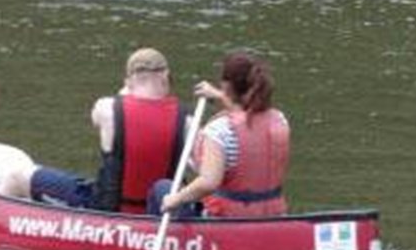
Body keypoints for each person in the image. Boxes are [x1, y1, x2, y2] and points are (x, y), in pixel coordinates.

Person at [28, 47, 188, 211]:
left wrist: (126, 90)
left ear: (128, 80)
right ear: (166, 76)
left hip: (107, 209)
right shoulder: (187, 121)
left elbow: (96, 122)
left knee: (18, 177)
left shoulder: (107, 107)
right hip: (158, 213)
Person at [158, 52, 291, 219]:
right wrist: (220, 95)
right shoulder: (279, 120)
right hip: (273, 217)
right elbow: (247, 112)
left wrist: (175, 199)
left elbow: (208, 183)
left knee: (162, 187)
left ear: (227, 86)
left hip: (226, 220)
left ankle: (151, 238)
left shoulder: (220, 130)